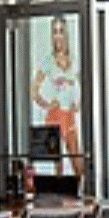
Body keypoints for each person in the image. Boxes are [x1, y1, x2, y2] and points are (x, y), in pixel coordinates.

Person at [31, 18, 82, 174]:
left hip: (69, 116)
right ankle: (57, 197)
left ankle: (81, 194)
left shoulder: (74, 60)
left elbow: (86, 85)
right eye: (55, 32)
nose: (58, 36)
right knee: (57, 167)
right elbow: (34, 89)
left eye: (61, 31)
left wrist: (79, 103)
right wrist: (46, 104)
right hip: (55, 116)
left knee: (78, 164)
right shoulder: (49, 61)